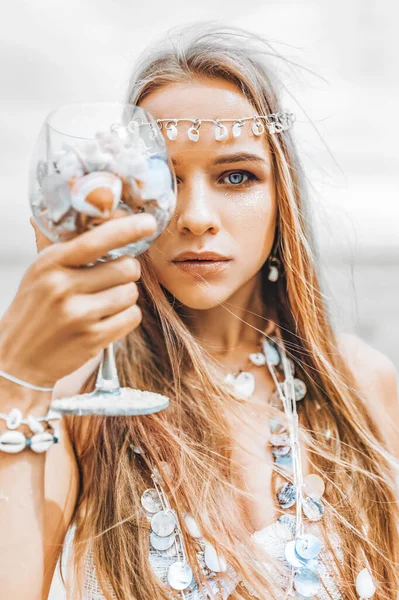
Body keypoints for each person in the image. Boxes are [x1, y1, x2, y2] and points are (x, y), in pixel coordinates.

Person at [0, 22, 398, 600]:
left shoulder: (362, 385)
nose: (195, 216)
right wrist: (16, 382)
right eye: (164, 177)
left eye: (236, 176)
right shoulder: (71, 405)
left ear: (280, 194)